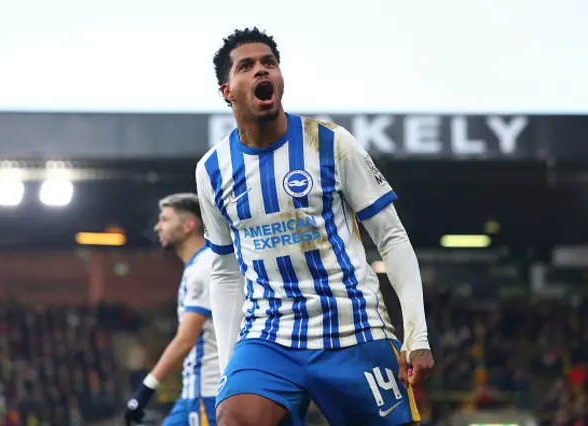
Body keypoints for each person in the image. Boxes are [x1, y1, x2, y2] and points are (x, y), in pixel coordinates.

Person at [195, 27, 435, 426]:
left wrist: (418, 336)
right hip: (269, 337)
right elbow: (224, 271)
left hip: (353, 330)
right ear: (227, 90)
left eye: (269, 63)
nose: (261, 71)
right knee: (235, 417)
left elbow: (391, 237)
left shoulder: (331, 144)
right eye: (247, 66)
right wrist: (228, 365)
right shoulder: (212, 170)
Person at [124, 193, 219, 426]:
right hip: (193, 392)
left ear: (189, 225)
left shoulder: (203, 269)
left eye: (165, 220)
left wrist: (145, 390)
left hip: (207, 391)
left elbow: (186, 340)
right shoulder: (201, 264)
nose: (158, 227)